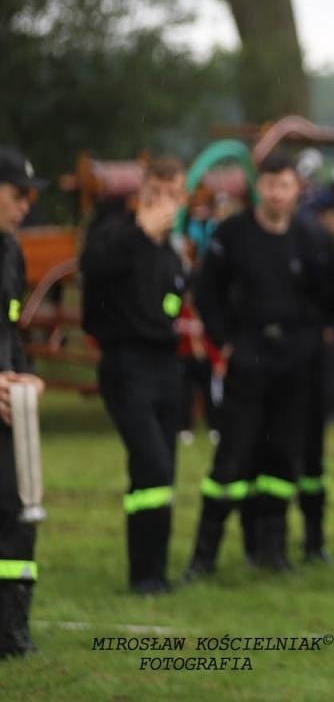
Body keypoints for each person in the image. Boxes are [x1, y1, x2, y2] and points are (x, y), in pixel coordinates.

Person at [182, 154, 334, 578]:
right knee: (231, 458)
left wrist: (316, 335)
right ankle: (204, 556)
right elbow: (207, 292)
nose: (276, 193)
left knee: (284, 457)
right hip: (249, 354)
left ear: (296, 190)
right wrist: (226, 343)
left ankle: (272, 550)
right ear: (258, 188)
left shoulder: (311, 236)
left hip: (296, 361)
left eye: (284, 186)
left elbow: (331, 292)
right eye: (269, 185)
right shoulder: (232, 235)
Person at [80, 157, 189, 594]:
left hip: (166, 365)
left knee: (162, 473)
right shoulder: (115, 231)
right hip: (126, 364)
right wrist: (140, 231)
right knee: (152, 463)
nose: (165, 202)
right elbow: (94, 265)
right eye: (157, 191)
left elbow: (172, 303)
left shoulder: (170, 252)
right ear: (142, 190)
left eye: (174, 193)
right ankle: (144, 574)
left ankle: (154, 572)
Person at [0, 148, 47, 655]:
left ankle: (12, 630)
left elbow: (10, 331)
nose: (26, 207)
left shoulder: (11, 252)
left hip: (8, 411)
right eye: (17, 195)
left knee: (16, 512)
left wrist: (27, 377)